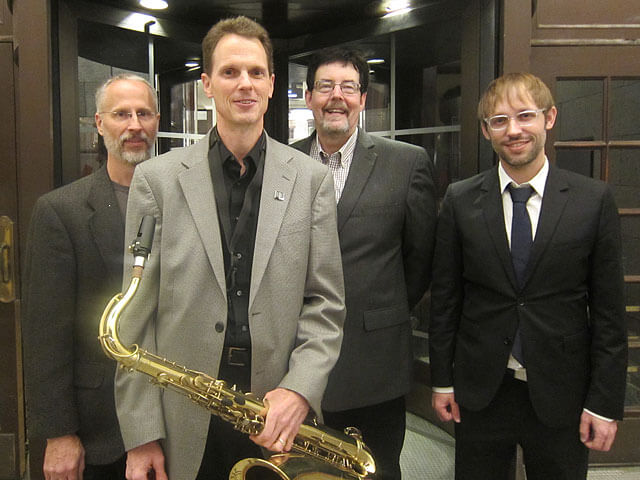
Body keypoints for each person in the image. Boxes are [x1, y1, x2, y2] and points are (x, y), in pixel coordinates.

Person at [114, 16, 346, 480]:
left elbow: (325, 303)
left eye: (256, 72)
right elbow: (133, 319)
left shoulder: (311, 180)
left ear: (272, 84)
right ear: (206, 84)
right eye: (230, 72)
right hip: (184, 415)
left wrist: (299, 390)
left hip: (276, 416)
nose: (245, 84)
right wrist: (142, 435)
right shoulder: (156, 181)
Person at [429, 72, 628, 479]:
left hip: (563, 392)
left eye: (525, 116)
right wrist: (442, 380)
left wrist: (604, 402)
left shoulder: (592, 201)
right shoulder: (461, 200)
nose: (514, 130)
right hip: (481, 391)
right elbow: (446, 301)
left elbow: (610, 314)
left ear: (548, 118)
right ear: (486, 130)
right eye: (499, 120)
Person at [292, 47, 437, 479]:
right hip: (296, 357)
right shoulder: (283, 164)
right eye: (325, 86)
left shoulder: (406, 163)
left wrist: (382, 309)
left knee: (377, 469)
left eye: (348, 87)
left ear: (363, 98)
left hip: (376, 360)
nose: (336, 96)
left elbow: (420, 258)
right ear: (308, 96)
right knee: (303, 471)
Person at [22, 74, 160, 480]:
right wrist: (58, 433)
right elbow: (45, 335)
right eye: (121, 114)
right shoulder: (60, 211)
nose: (134, 125)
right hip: (97, 430)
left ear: (156, 122)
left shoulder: (181, 204)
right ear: (99, 123)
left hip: (170, 417)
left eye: (144, 114)